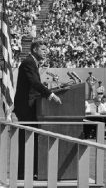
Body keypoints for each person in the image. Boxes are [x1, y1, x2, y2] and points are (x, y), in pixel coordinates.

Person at [14, 40, 62, 180]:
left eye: (46, 49)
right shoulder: (29, 62)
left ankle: (31, 171)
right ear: (35, 49)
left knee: (31, 139)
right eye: (42, 49)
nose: (45, 51)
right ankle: (24, 173)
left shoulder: (33, 62)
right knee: (27, 140)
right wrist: (51, 95)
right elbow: (34, 83)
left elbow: (35, 85)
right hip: (26, 107)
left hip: (30, 106)